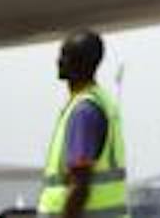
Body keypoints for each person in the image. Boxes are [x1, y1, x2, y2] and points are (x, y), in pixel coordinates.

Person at [39, 31, 128, 218]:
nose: (59, 61)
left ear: (77, 63)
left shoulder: (83, 111)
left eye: (65, 55)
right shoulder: (100, 101)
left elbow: (80, 185)